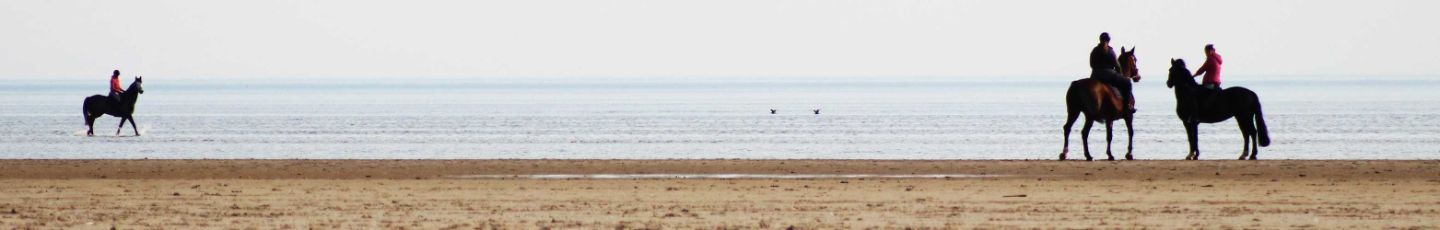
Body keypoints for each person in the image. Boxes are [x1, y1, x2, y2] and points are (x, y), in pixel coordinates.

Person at [1089, 32, 1134, 113]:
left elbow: (1091, 64)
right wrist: (1120, 74)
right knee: (1127, 83)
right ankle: (1127, 106)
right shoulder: (1110, 51)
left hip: (1095, 74)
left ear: (1100, 39)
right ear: (1109, 40)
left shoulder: (1095, 50)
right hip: (1108, 74)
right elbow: (1117, 65)